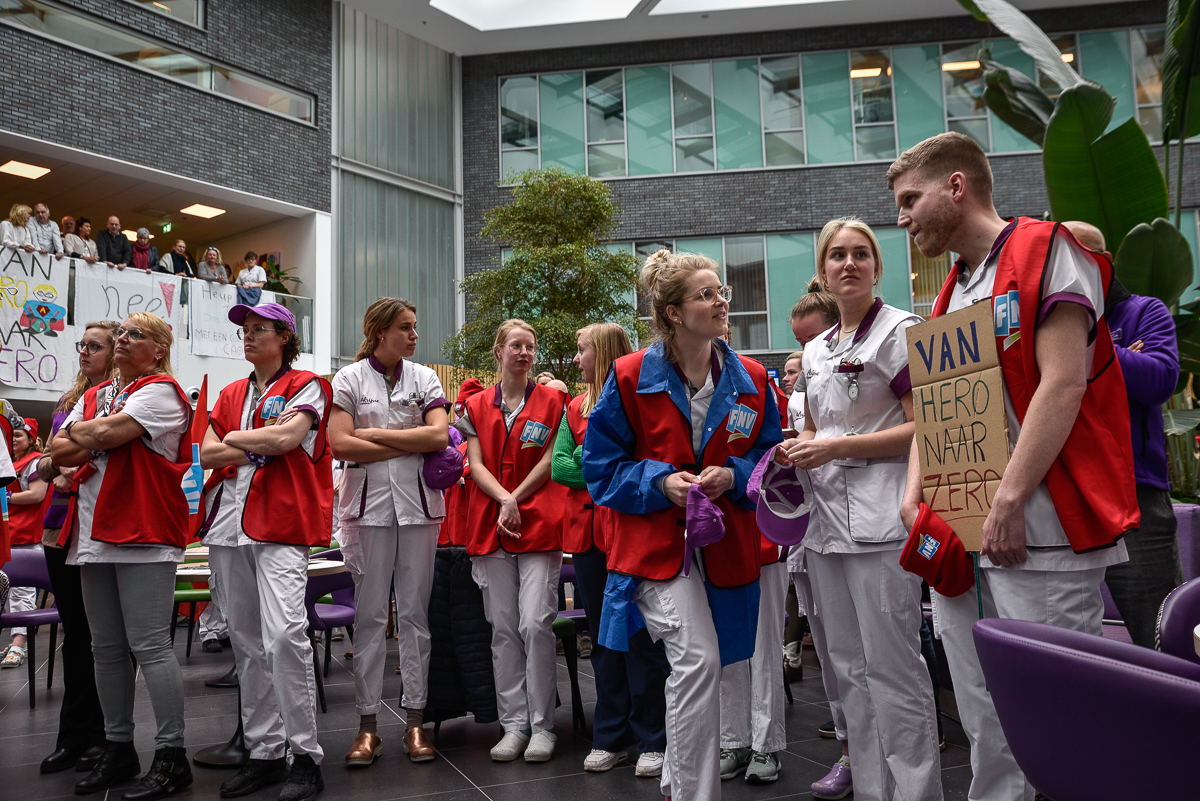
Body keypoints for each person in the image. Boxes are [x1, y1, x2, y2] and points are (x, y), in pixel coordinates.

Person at [889, 132, 1137, 801]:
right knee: (984, 716)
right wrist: (914, 497)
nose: (903, 217)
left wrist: (1008, 499)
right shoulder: (948, 294)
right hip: (963, 536)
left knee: (1061, 717)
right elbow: (939, 410)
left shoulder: (1049, 250)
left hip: (1039, 528)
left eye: (912, 199)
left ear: (958, 186)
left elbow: (1064, 384)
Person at [583, 250, 782, 801]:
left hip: (723, 547)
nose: (722, 302)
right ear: (672, 313)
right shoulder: (626, 377)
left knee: (707, 666)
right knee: (698, 660)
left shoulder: (754, 380)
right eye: (706, 295)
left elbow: (771, 457)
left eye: (721, 293)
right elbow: (600, 468)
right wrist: (661, 483)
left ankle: (676, 780)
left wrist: (735, 474)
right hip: (654, 548)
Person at [781, 218, 942, 801]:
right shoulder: (816, 349)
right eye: (837, 256)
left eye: (861, 254)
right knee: (847, 672)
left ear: (877, 266)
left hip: (880, 524)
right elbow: (816, 427)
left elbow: (926, 425)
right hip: (823, 528)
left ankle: (918, 793)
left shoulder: (902, 332)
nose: (849, 264)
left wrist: (836, 445)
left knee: (894, 670)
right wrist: (797, 446)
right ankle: (874, 790)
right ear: (823, 271)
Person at [51, 312, 193, 799]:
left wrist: (85, 434)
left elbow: (101, 439)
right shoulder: (96, 396)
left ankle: (172, 755)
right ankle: (118, 747)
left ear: (157, 349)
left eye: (136, 334)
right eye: (123, 333)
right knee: (104, 648)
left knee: (150, 645)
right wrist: (90, 433)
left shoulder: (163, 390)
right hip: (93, 532)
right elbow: (57, 450)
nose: (123, 339)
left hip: (144, 532)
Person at [199, 302, 332, 801]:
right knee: (246, 644)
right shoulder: (233, 392)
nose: (249, 337)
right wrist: (253, 443)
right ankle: (265, 752)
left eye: (259, 330)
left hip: (281, 524)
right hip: (228, 525)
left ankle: (305, 757)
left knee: (284, 637)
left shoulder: (308, 384)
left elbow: (288, 436)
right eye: (246, 331)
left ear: (285, 337)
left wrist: (235, 437)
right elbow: (206, 452)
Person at [328, 297, 450, 768]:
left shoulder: (425, 378)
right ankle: (367, 726)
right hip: (367, 510)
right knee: (371, 618)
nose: (415, 335)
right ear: (380, 332)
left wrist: (373, 435)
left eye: (415, 327)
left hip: (419, 510)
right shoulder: (349, 378)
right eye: (406, 327)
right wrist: (408, 439)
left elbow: (438, 437)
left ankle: (415, 722)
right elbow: (339, 442)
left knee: (416, 617)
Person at [552, 323, 669, 778]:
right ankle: (611, 736)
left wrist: (598, 466)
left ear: (601, 354)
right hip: (587, 536)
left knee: (641, 635)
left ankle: (653, 737)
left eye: (581, 350)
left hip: (629, 530)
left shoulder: (639, 400)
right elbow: (562, 466)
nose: (576, 359)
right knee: (604, 639)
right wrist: (602, 470)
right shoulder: (574, 407)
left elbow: (638, 463)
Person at [1063, 220, 1184, 648]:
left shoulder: (1143, 311)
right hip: (1068, 500)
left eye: (1079, 254)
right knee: (1075, 638)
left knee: (1161, 635)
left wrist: (1086, 346)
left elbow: (1160, 379)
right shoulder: (1045, 319)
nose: (1067, 265)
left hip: (1135, 498)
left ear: (1105, 261)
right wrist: (1118, 359)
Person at [454, 319, 567, 763]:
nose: (524, 352)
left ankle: (542, 726)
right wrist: (502, 499)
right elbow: (475, 464)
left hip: (538, 523)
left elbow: (549, 461)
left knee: (535, 623)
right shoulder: (475, 406)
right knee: (502, 629)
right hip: (490, 523)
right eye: (516, 345)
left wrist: (515, 498)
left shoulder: (555, 401)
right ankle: (513, 724)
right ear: (499, 351)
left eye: (530, 346)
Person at [784, 287, 856, 799]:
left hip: (864, 526)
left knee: (878, 654)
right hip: (812, 529)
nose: (809, 352)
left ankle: (889, 755)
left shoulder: (872, 354)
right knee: (832, 652)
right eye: (801, 344)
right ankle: (851, 751)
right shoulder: (799, 391)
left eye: (813, 339)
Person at [36, 322, 116, 774]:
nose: (84, 352)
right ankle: (73, 736)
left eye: (94, 345)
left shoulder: (125, 397)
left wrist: (70, 459)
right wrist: (55, 469)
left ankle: (107, 737)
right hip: (60, 528)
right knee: (75, 637)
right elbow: (46, 461)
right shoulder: (69, 402)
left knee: (106, 638)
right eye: (81, 345)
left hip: (102, 526)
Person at [0, 418, 50, 668]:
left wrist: (6, 496)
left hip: (26, 538)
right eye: (12, 435)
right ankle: (16, 641)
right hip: (8, 536)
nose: (14, 439)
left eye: (19, 435)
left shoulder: (36, 461)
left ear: (31, 439)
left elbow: (37, 494)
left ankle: (20, 644)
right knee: (7, 593)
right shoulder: (7, 461)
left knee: (21, 594)